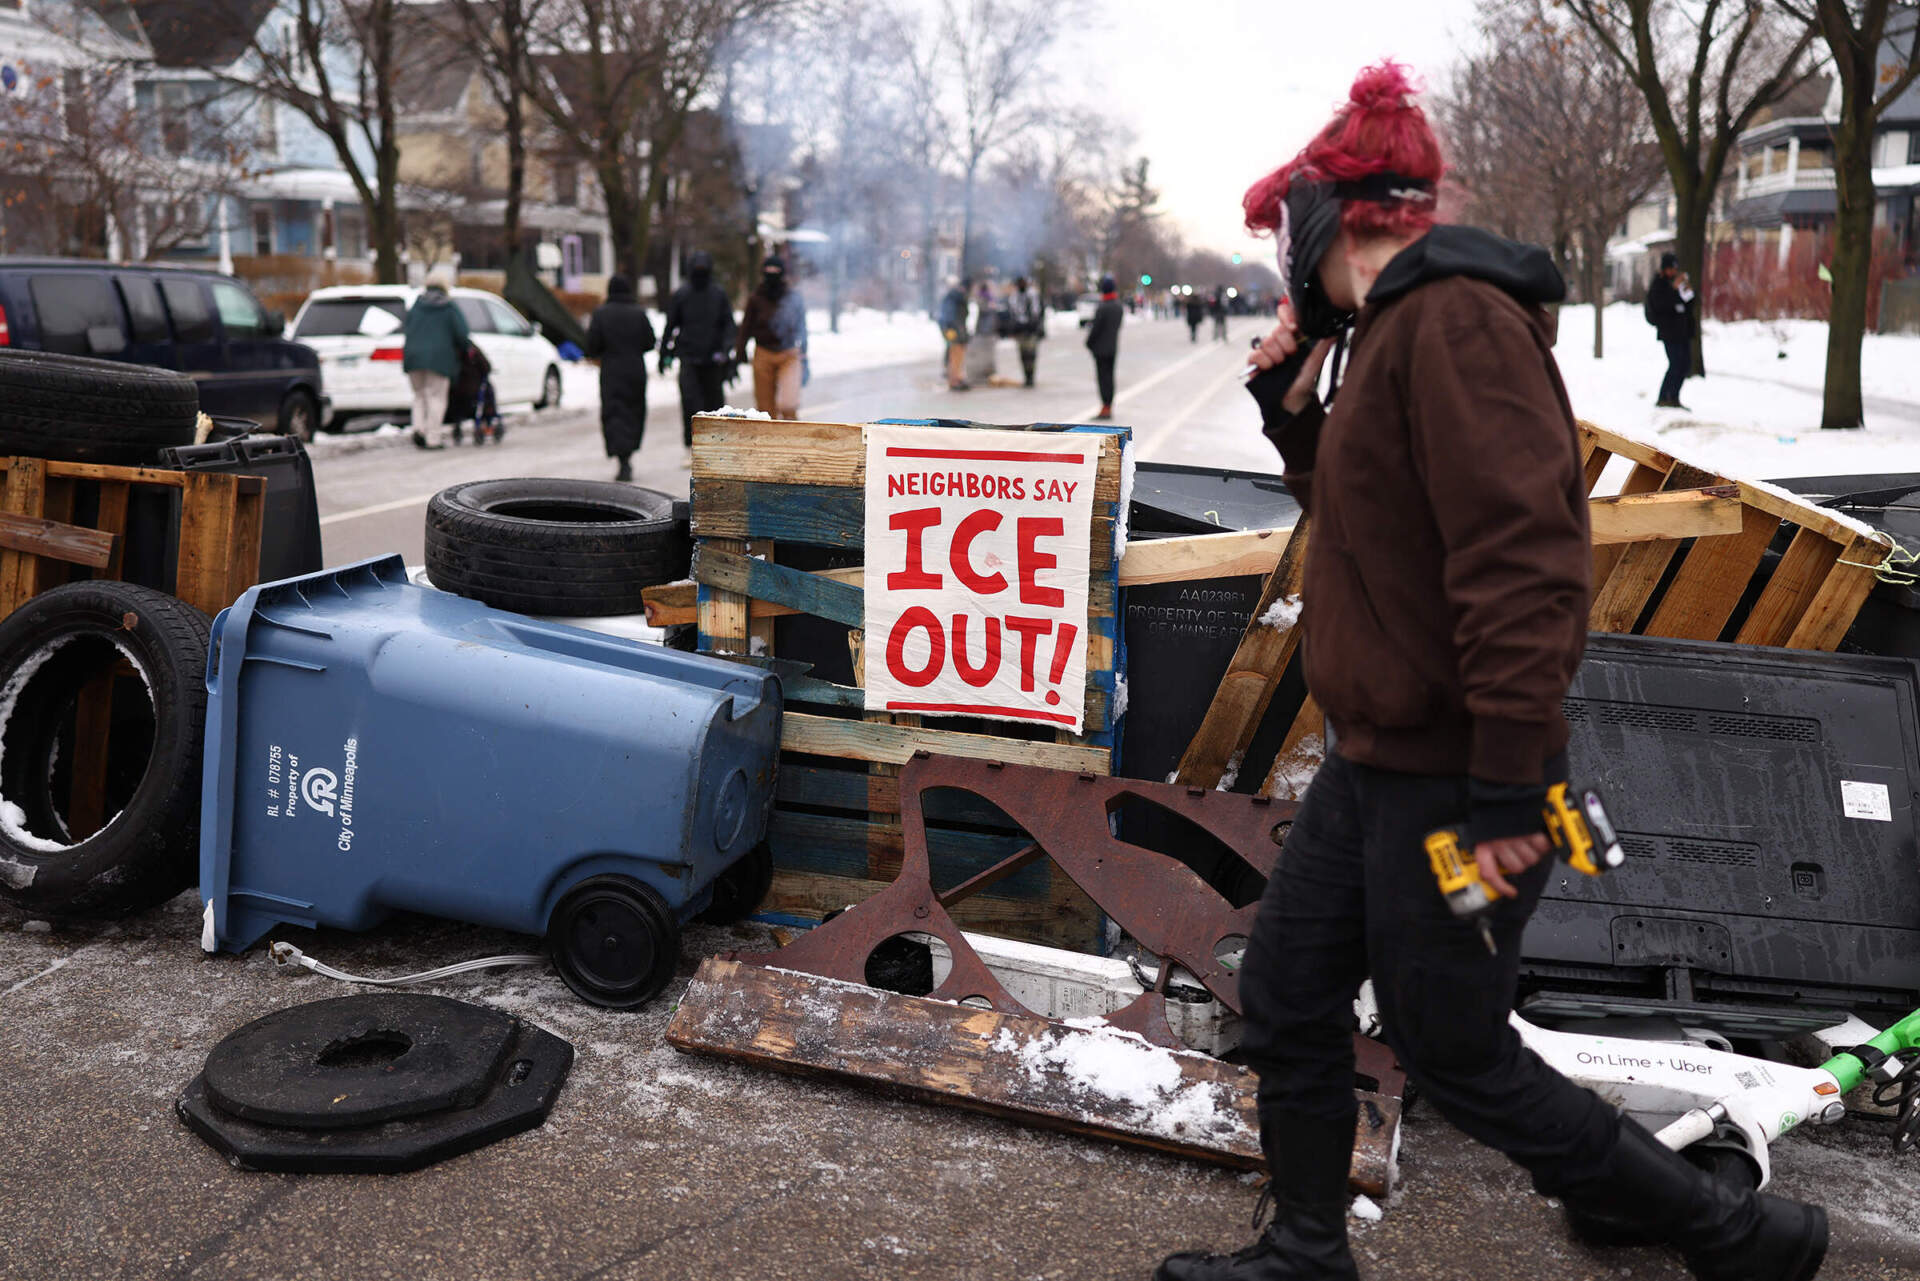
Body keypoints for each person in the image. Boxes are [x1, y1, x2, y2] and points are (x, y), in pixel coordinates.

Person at [1156, 62, 1827, 1281]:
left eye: (1279, 238)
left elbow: (1524, 564)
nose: (1276, 267)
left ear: (1328, 218)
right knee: (1292, 994)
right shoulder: (1387, 338)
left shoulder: (1454, 323)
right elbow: (1376, 537)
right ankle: (1308, 1248)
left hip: (1461, 783)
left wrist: (1513, 792)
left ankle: (1736, 1234)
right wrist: (1290, 410)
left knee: (1452, 1043)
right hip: (1379, 767)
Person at [660, 249, 737, 450]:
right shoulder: (682, 295)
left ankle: (717, 445)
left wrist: (726, 348)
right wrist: (664, 354)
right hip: (689, 358)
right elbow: (671, 325)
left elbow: (729, 324)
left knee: (715, 404)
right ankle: (691, 445)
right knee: (690, 403)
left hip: (713, 359)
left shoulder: (718, 294)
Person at [583, 273, 655, 482]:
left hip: (612, 371)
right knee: (634, 411)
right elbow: (650, 342)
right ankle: (629, 453)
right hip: (635, 370)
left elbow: (592, 346)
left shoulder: (601, 314)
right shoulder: (639, 313)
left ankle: (622, 459)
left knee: (614, 412)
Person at [400, 267, 470, 450]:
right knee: (436, 397)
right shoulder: (448, 307)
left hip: (413, 358)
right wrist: (464, 350)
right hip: (439, 360)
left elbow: (407, 328)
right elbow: (462, 334)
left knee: (419, 395)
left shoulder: (416, 305)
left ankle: (418, 429)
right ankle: (433, 438)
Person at [737, 255, 807, 420]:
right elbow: (745, 327)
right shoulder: (755, 298)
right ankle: (770, 444)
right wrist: (739, 351)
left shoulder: (793, 298)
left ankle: (793, 443)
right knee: (765, 411)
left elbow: (802, 327)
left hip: (789, 355)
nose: (772, 275)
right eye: (769, 271)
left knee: (788, 405)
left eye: (776, 271)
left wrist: (804, 355)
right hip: (763, 354)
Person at [1645, 251, 1694, 409]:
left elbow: (1688, 305)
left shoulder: (1677, 284)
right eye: (1671, 269)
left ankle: (1674, 397)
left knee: (1684, 364)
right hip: (1669, 332)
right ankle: (1664, 396)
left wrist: (1686, 289)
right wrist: (1673, 289)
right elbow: (1661, 305)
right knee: (1675, 363)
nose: (1673, 272)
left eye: (1675, 269)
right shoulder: (1659, 284)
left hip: (1682, 331)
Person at [1085, 274, 1122, 421]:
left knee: (1102, 378)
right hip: (1112, 347)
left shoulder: (1103, 307)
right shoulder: (1118, 306)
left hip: (1100, 349)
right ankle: (1108, 405)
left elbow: (1095, 329)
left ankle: (1105, 407)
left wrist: (1088, 343)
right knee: (1110, 377)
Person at [1008, 275, 1045, 387]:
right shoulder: (1014, 297)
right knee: (1023, 355)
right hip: (1020, 330)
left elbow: (1038, 313)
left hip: (1031, 330)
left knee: (1031, 354)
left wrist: (1037, 327)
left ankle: (1030, 377)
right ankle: (1027, 376)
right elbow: (1013, 314)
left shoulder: (1033, 295)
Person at [938, 276, 971, 390]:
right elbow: (949, 317)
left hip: (957, 330)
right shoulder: (954, 297)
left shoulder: (957, 297)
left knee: (958, 354)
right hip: (953, 330)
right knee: (954, 354)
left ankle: (958, 378)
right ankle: (954, 380)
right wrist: (951, 330)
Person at [965, 280, 1001, 386]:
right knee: (986, 355)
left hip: (983, 332)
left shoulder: (980, 300)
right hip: (986, 332)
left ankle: (983, 375)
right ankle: (986, 374)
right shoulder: (989, 300)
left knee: (981, 355)